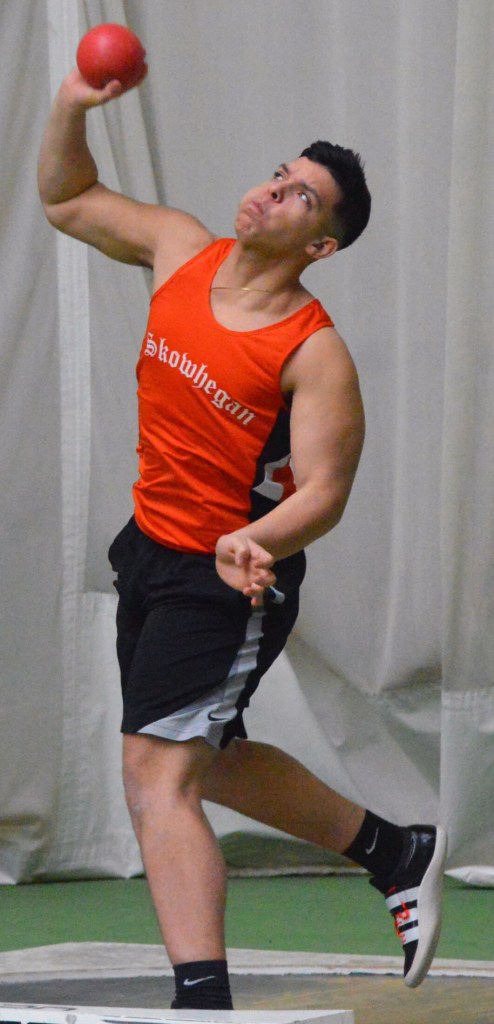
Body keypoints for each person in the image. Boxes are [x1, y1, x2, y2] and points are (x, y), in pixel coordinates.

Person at [38, 66, 447, 1009]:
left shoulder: (313, 351)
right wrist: (70, 104)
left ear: (324, 241)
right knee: (206, 757)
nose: (272, 188)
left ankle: (202, 998)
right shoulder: (182, 250)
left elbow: (329, 491)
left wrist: (254, 537)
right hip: (149, 548)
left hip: (232, 578)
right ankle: (396, 849)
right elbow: (66, 197)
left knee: (155, 776)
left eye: (301, 192)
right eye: (278, 171)